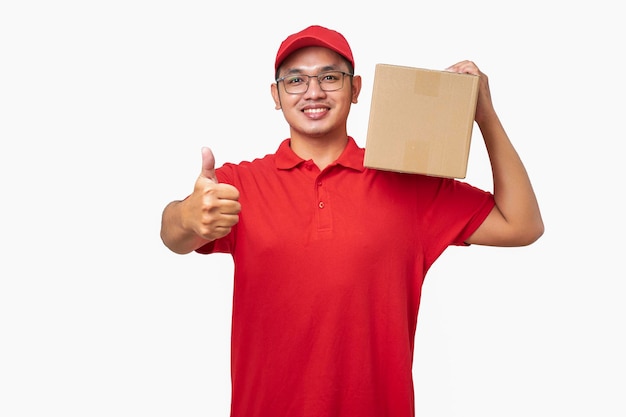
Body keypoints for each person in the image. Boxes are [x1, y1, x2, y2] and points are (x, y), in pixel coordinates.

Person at [160, 25, 544, 417]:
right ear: (275, 96)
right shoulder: (239, 185)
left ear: (356, 89)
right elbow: (172, 235)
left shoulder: (407, 184)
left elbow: (522, 224)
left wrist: (484, 116)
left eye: (329, 77)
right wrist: (187, 215)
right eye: (295, 80)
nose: (313, 92)